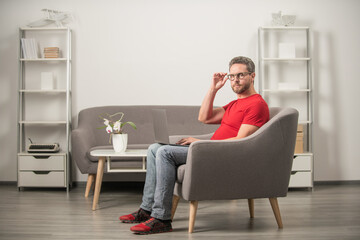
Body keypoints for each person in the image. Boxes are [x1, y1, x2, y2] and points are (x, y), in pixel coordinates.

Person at [119, 56, 269, 234]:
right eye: (232, 76)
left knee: (165, 152)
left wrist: (201, 143)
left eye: (241, 75)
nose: (235, 80)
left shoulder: (257, 104)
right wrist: (213, 88)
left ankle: (161, 218)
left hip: (222, 155)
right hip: (209, 150)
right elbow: (204, 118)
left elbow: (241, 142)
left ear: (252, 76)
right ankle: (146, 210)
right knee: (154, 149)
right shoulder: (236, 103)